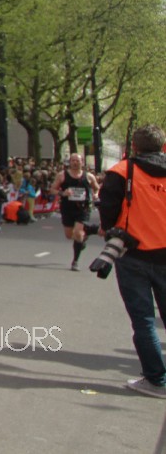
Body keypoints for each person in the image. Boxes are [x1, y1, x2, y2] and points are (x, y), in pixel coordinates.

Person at [96, 124, 166, 399]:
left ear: (133, 147)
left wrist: (109, 230)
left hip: (132, 252)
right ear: (162, 146)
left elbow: (107, 209)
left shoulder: (121, 171)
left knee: (143, 319)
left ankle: (157, 380)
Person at [52, 153, 100, 270]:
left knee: (78, 233)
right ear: (70, 162)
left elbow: (97, 188)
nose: (75, 163)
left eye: (77, 161)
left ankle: (75, 261)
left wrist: (95, 195)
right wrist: (63, 193)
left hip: (83, 208)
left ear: (82, 162)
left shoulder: (89, 176)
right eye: (73, 160)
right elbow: (52, 189)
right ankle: (83, 238)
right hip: (67, 208)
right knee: (69, 235)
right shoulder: (62, 175)